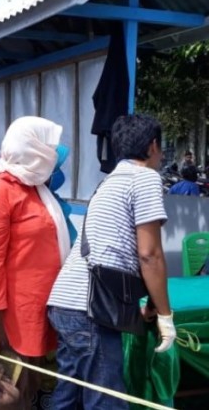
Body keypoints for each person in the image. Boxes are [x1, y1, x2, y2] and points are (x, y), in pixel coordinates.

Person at [47, 114, 175, 410]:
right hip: (90, 309)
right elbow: (150, 254)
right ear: (153, 146)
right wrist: (166, 317)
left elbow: (118, 251)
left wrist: (149, 306)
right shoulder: (145, 178)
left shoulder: (108, 182)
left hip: (66, 302)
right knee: (107, 402)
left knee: (70, 397)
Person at [0, 116, 71, 407]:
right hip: (11, 316)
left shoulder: (34, 186)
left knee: (27, 390)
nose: (52, 152)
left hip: (38, 308)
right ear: (31, 148)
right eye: (47, 145)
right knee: (9, 393)